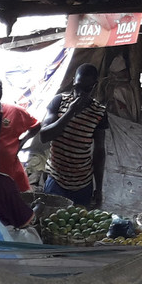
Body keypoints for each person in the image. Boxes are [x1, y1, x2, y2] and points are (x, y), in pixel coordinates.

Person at [40, 63, 108, 207]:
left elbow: (99, 151)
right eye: (77, 87)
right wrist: (70, 112)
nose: (80, 93)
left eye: (86, 89)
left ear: (94, 86)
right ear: (73, 81)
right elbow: (44, 136)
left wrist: (99, 188)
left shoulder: (99, 112)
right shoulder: (59, 102)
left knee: (77, 226)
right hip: (56, 180)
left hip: (83, 184)